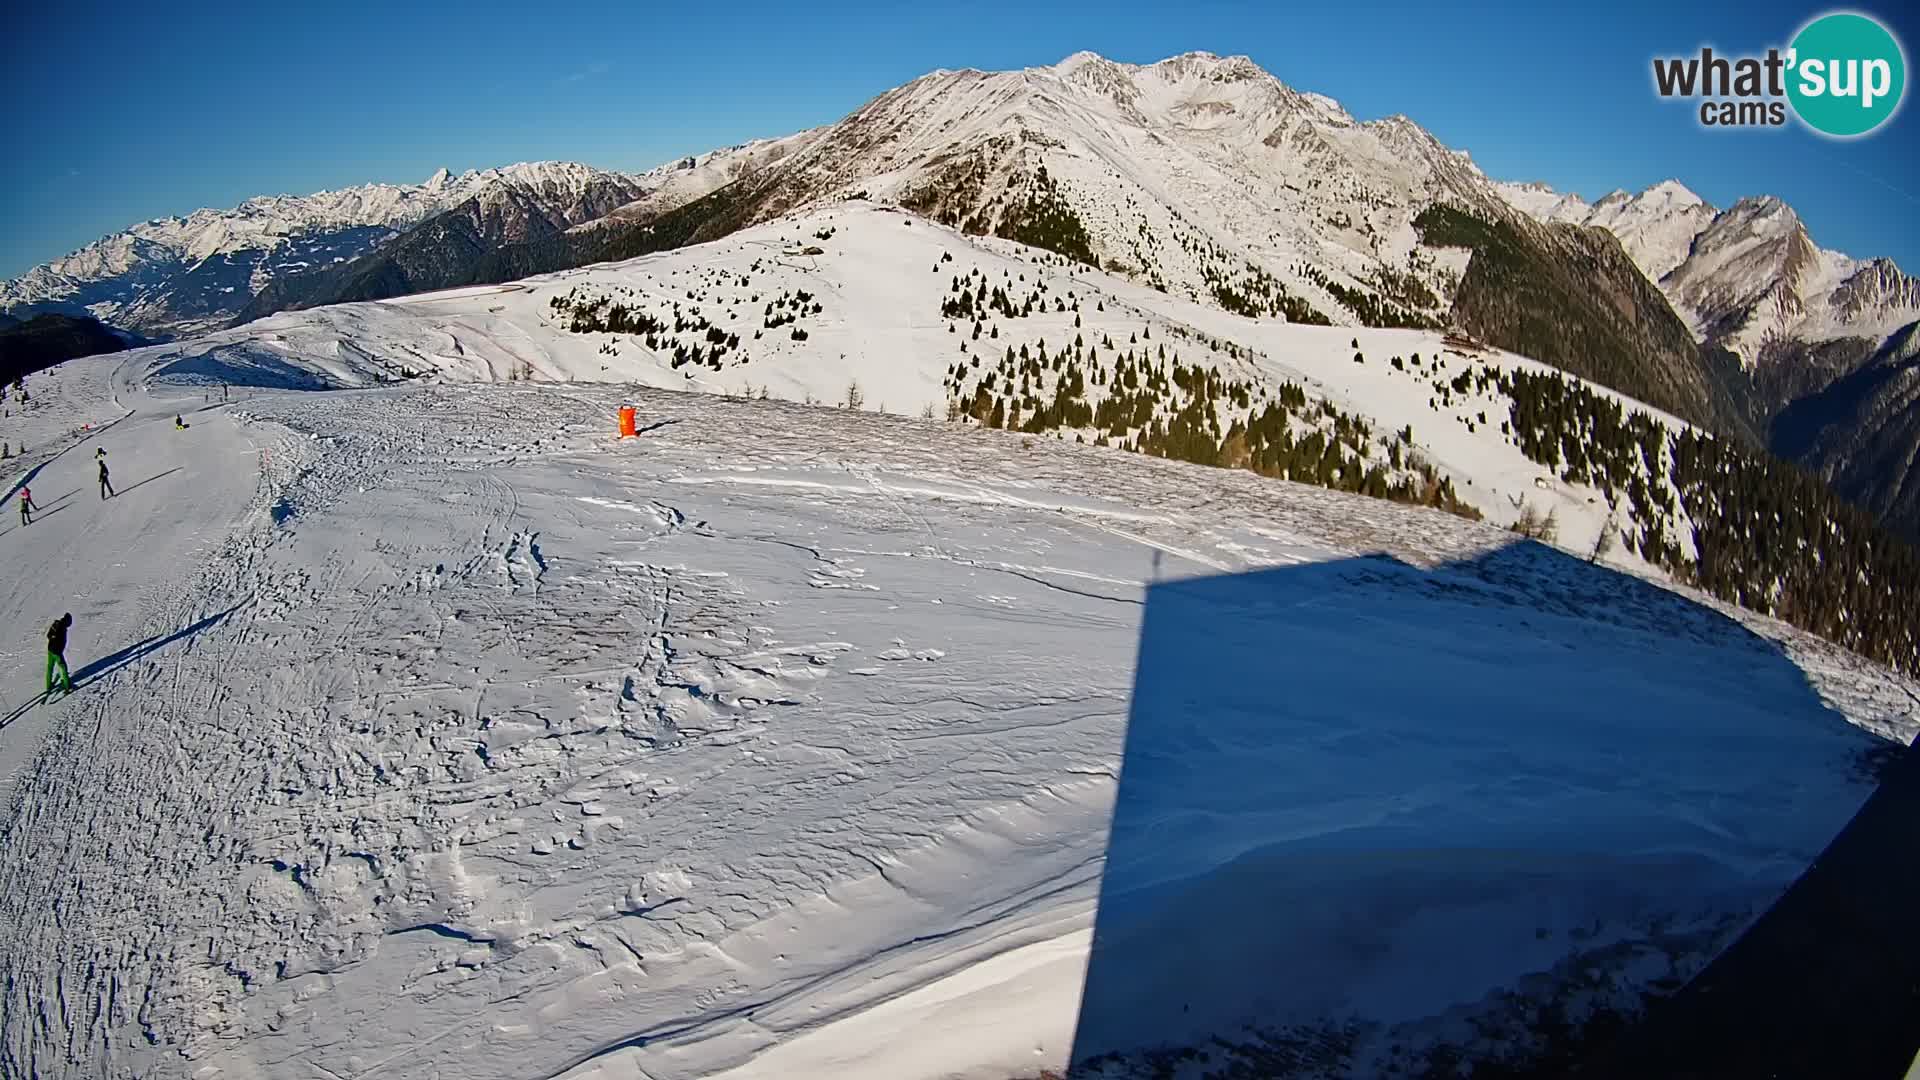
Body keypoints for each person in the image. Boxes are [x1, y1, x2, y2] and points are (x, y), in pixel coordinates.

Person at [46, 613, 73, 697]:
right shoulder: (62, 628)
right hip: (56, 652)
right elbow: (60, 641)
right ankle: (67, 687)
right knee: (63, 667)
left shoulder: (56, 624)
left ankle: (48, 685)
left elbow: (48, 635)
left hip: (50, 650)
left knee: (50, 667)